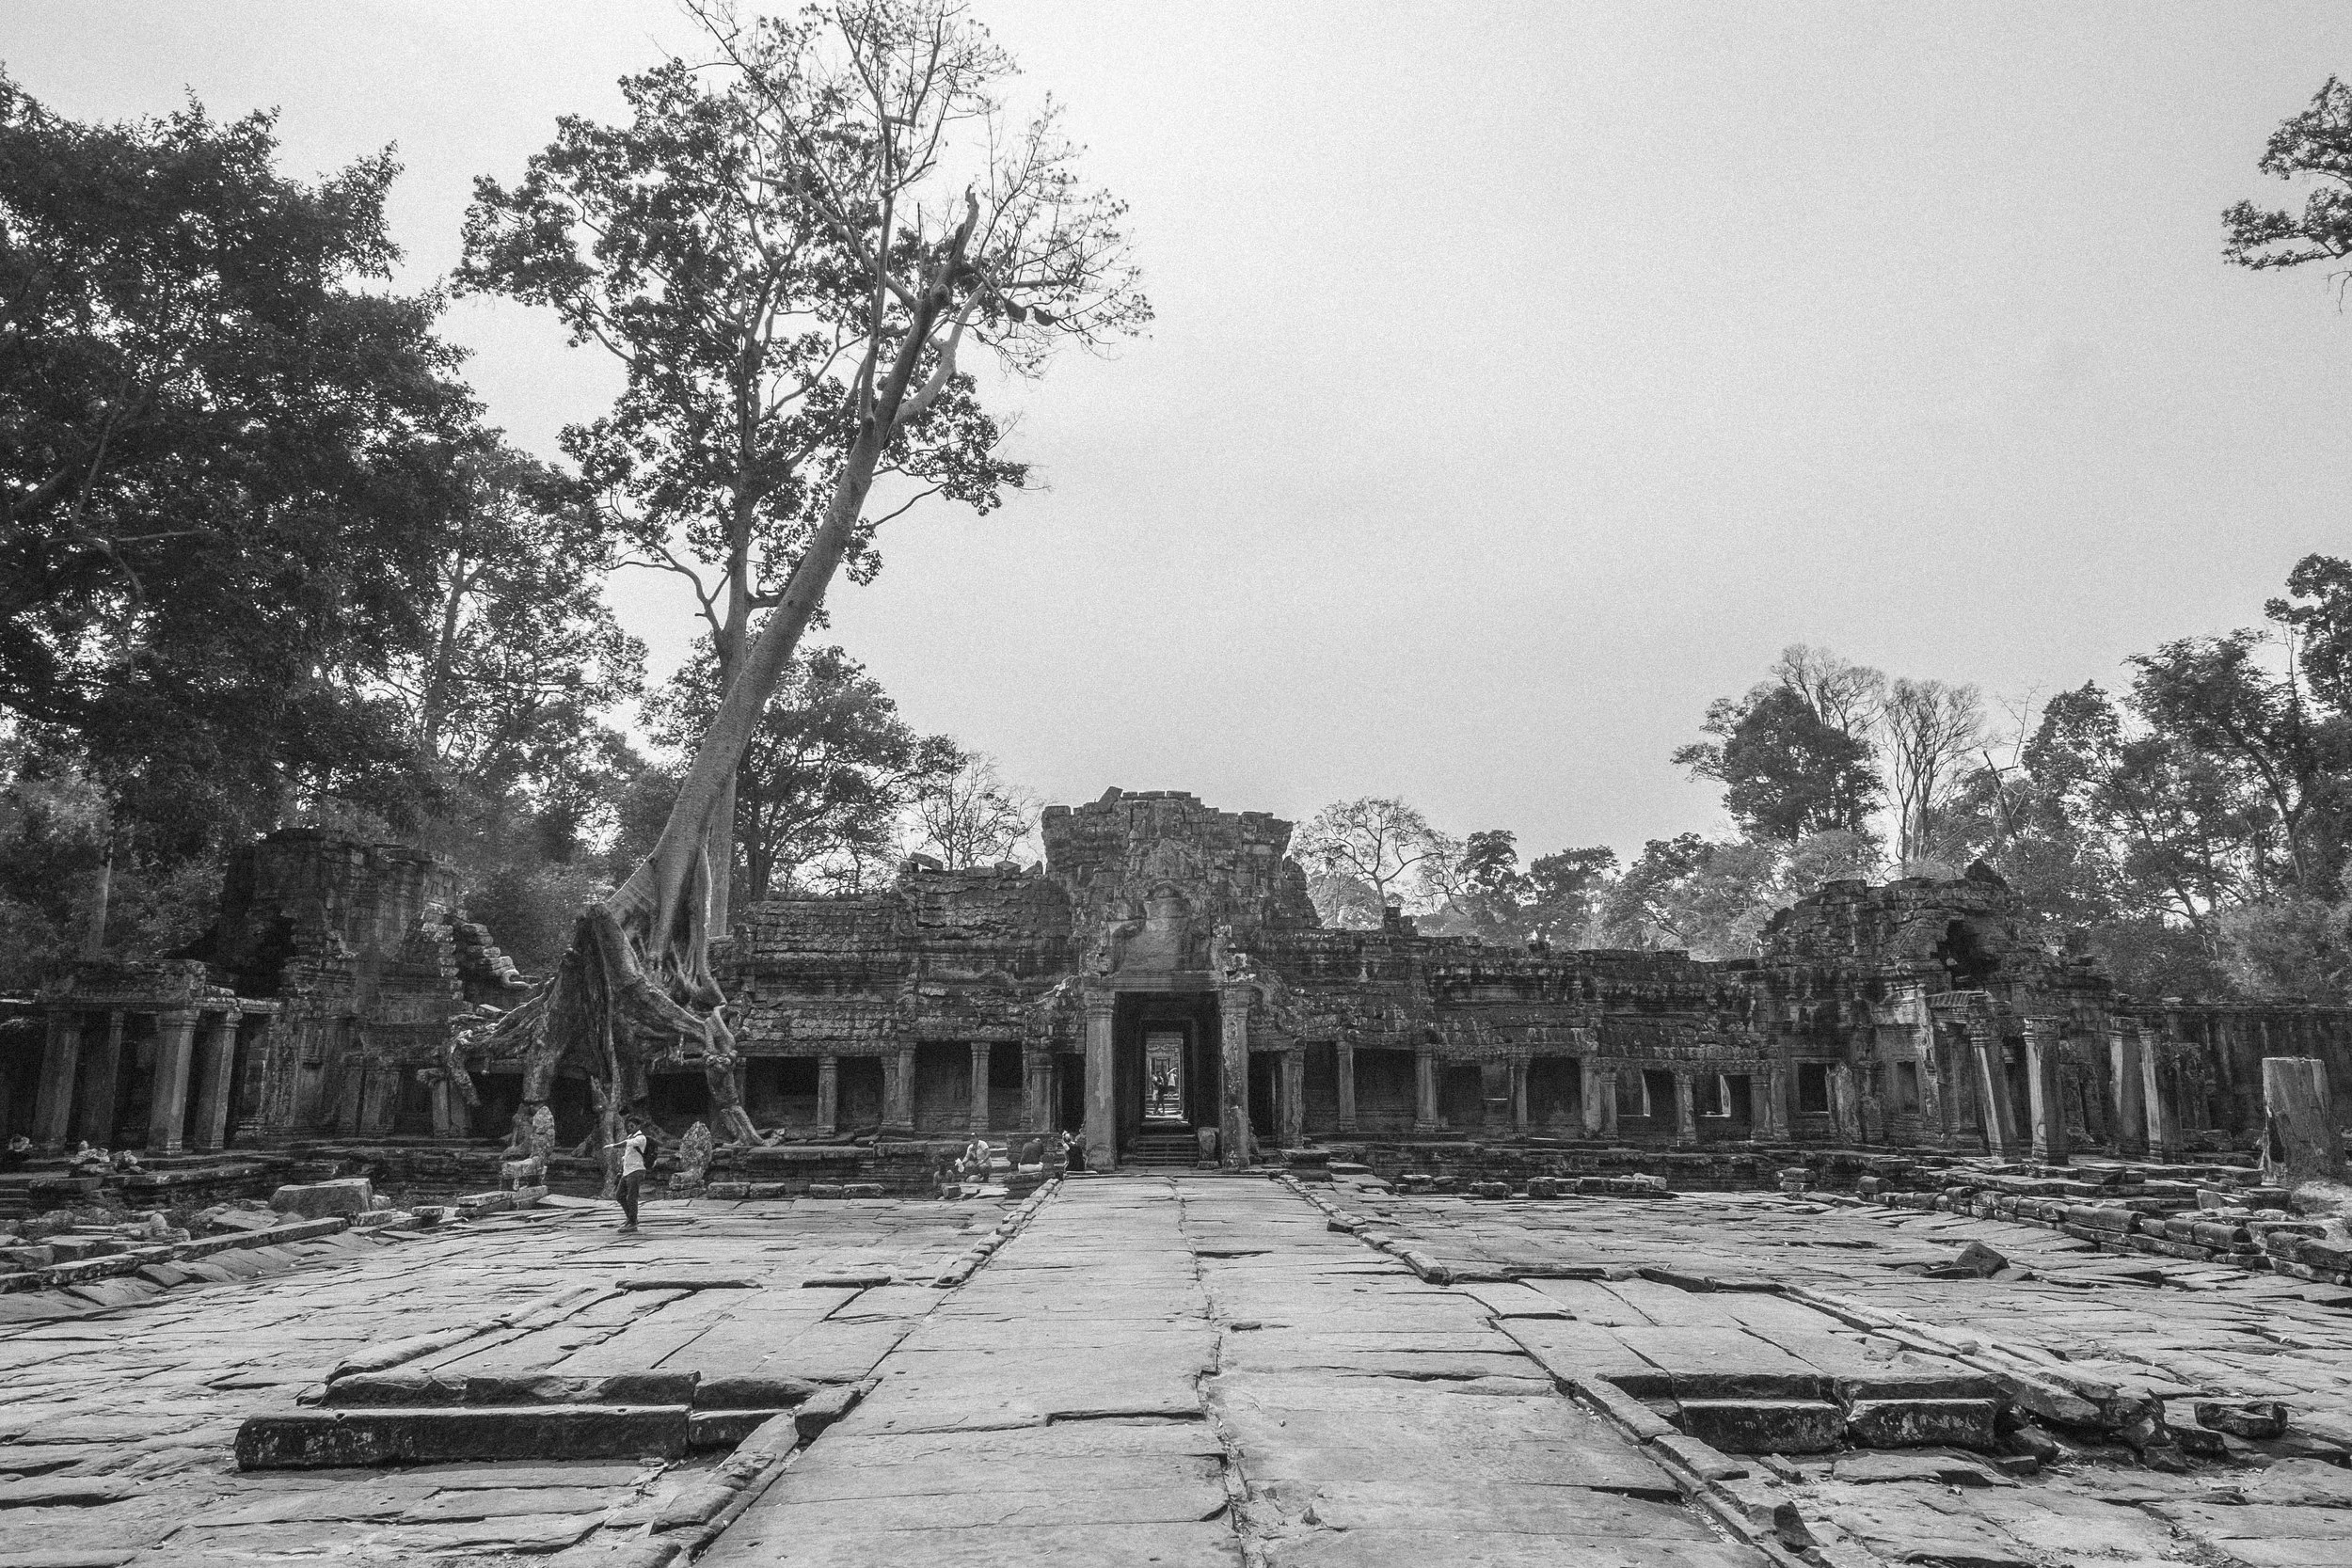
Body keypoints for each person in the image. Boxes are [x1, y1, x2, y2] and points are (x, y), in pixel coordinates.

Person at [607, 1117, 649, 1233]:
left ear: (638, 1126)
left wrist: (614, 1146)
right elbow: (626, 1157)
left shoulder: (641, 1138)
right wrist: (620, 1172)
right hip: (627, 1171)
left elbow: (626, 1144)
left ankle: (632, 1222)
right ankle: (631, 1218)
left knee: (632, 1197)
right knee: (619, 1195)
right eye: (628, 1126)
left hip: (636, 1170)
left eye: (632, 1126)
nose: (629, 1128)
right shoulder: (629, 1137)